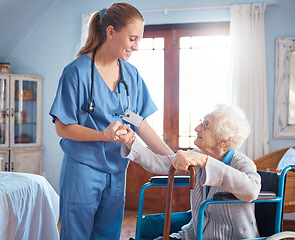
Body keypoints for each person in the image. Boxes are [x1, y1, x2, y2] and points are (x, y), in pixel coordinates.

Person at [49, 3, 173, 239]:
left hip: (117, 171)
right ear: (111, 32)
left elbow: (139, 122)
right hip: (82, 171)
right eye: (132, 38)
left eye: (140, 40)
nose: (136, 46)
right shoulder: (76, 72)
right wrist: (103, 135)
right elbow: (61, 127)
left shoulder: (131, 75)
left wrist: (172, 158)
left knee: (108, 236)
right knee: (77, 235)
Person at [119, 104, 262, 240]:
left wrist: (205, 161)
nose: (196, 128)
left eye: (205, 125)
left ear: (224, 141)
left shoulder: (241, 163)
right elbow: (158, 162)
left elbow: (251, 191)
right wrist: (131, 141)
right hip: (192, 235)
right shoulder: (197, 155)